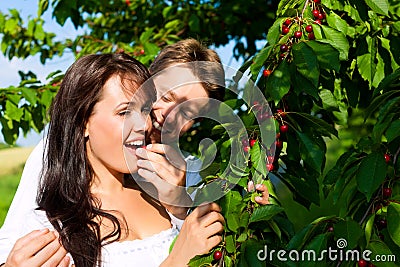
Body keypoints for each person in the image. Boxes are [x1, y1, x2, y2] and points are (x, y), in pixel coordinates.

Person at [0, 53, 225, 267]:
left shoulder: (187, 176)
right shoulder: (51, 210)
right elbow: (12, 244)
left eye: (187, 112)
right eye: (166, 97)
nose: (165, 117)